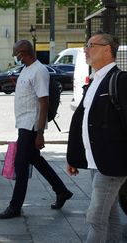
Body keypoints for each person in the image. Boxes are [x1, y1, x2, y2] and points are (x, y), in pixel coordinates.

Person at [0, 40, 73, 219]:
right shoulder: (26, 69)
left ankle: (15, 206)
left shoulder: (39, 71)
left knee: (21, 165)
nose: (15, 58)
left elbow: (44, 102)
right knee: (35, 160)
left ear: (23, 53)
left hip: (31, 126)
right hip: (23, 123)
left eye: (16, 54)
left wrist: (40, 133)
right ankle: (62, 191)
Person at [66, 32, 127, 242]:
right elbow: (83, 122)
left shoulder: (120, 80)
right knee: (110, 216)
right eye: (86, 45)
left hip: (112, 163)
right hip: (96, 162)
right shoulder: (94, 81)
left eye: (90, 45)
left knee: (95, 217)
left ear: (107, 49)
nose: (85, 49)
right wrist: (74, 157)